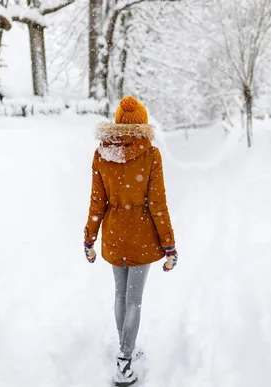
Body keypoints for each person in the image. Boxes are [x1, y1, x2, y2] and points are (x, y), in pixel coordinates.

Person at [83, 96, 178, 387]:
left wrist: (89, 238)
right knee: (134, 299)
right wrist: (169, 245)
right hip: (141, 235)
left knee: (120, 294)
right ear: (141, 124)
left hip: (114, 234)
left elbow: (97, 202)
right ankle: (124, 362)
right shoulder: (150, 154)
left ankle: (127, 349)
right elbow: (157, 204)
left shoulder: (102, 153)